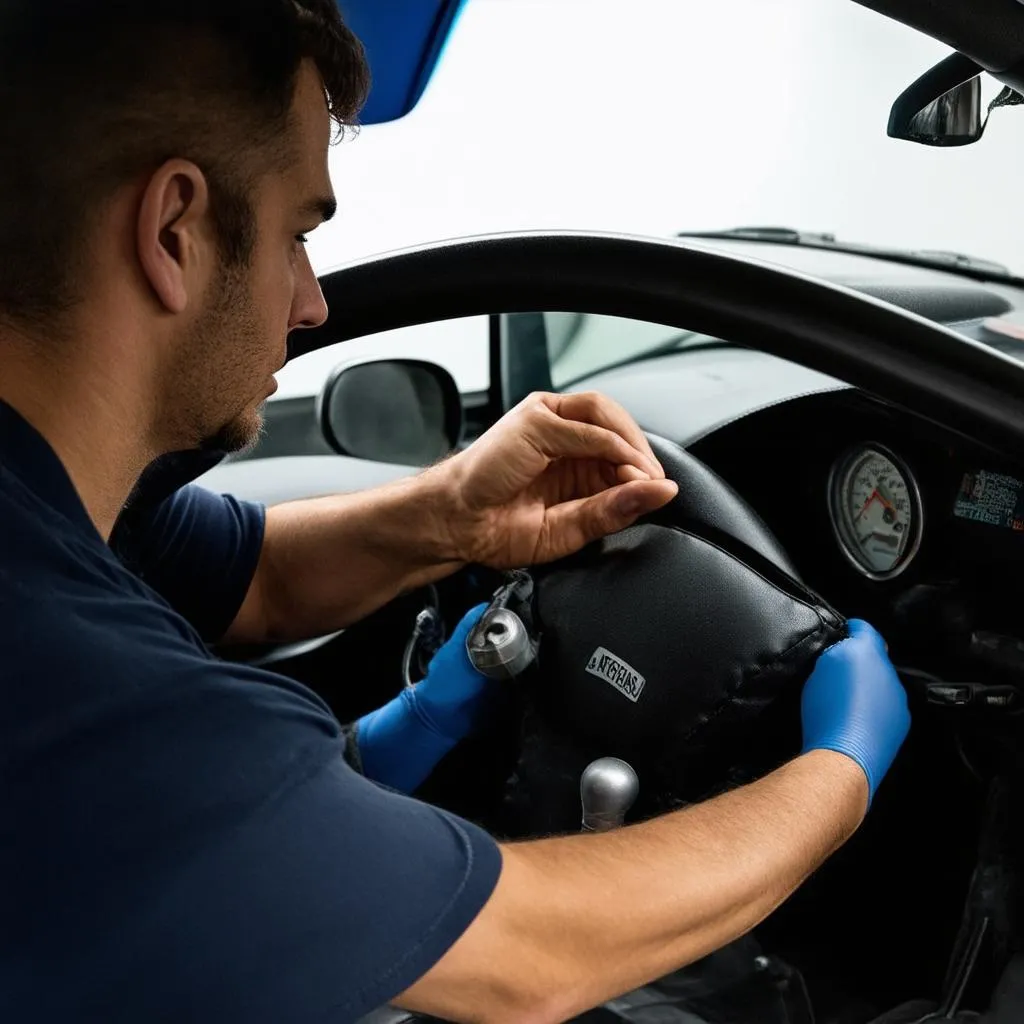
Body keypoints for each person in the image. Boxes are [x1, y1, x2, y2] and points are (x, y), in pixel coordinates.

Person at [0, 2, 910, 1022]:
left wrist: (456, 517)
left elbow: (254, 578)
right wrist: (840, 770)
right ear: (173, 228)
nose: (311, 302)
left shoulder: (56, 502)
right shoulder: (72, 689)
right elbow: (532, 957)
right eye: (299, 233)